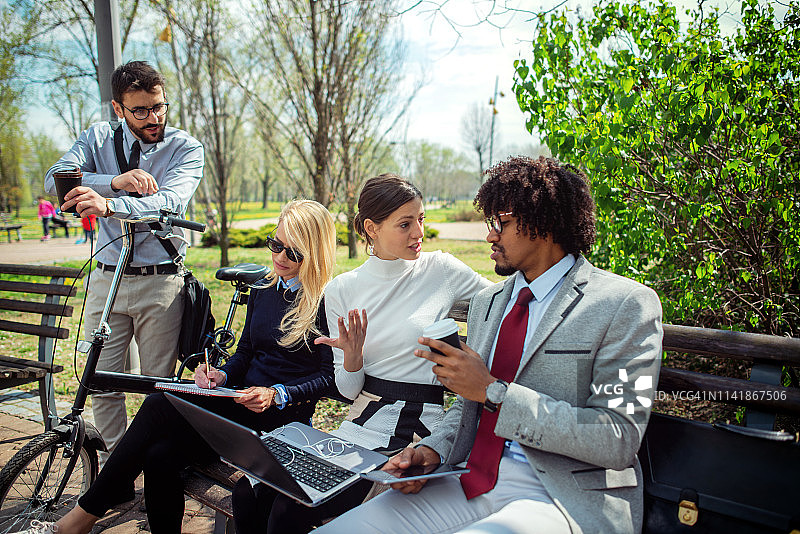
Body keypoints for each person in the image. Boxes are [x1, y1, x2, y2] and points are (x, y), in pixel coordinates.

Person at [314, 156, 664, 534]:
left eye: (502, 223)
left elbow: (618, 438)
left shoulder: (624, 305)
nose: (490, 236)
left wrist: (494, 392)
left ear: (542, 225)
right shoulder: (488, 303)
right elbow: (467, 408)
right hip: (468, 478)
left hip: (559, 495)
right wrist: (432, 450)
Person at [20, 199, 338, 534]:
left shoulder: (326, 302)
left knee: (158, 405)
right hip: (239, 408)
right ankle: (85, 518)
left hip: (280, 424)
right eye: (275, 244)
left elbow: (328, 378)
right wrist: (222, 374)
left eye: (293, 252)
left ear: (314, 254)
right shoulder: (265, 289)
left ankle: (79, 520)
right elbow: (245, 352)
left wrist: (277, 394)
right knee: (159, 455)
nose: (279, 257)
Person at [232, 174, 493, 534]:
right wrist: (353, 358)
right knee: (248, 493)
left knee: (288, 512)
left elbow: (505, 301)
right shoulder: (343, 288)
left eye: (421, 219)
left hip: (412, 427)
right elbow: (348, 389)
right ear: (371, 228)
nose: (419, 232)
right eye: (405, 224)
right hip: (358, 422)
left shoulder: (442, 270)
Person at [43, 60, 204, 461]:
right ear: (118, 108)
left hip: (161, 282)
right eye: (141, 110)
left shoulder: (186, 147)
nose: (154, 118)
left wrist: (110, 205)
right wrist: (113, 181)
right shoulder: (97, 138)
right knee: (99, 383)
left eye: (160, 106)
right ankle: (116, 471)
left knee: (158, 389)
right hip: (107, 278)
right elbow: (54, 179)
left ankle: (155, 470)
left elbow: (170, 202)